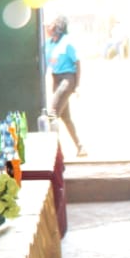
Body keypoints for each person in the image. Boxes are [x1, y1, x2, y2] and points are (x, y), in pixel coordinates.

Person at [45, 15, 86, 156]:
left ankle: (56, 153)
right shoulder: (49, 43)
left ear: (58, 27)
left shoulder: (67, 43)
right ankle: (80, 147)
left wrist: (77, 85)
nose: (47, 27)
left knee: (52, 114)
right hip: (56, 79)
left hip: (67, 79)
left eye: (50, 25)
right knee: (65, 117)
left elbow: (78, 63)